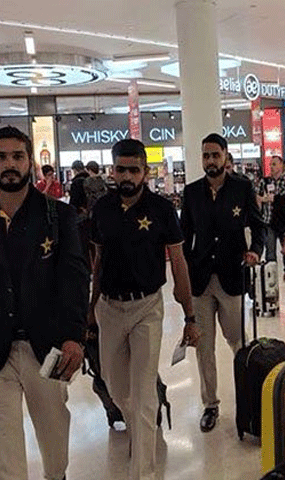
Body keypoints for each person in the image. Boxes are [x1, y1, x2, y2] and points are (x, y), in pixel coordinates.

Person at [0, 126, 89, 480]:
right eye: (1, 157)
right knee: (3, 445)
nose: (9, 164)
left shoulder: (58, 216)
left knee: (53, 434)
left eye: (17, 156)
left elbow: (75, 280)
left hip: (48, 348)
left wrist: (75, 336)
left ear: (30, 162)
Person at [89, 139, 199, 480]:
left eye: (133, 170)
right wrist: (89, 311)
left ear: (145, 172)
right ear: (112, 171)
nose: (127, 176)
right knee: (115, 387)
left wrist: (190, 316)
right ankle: (141, 428)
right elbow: (97, 263)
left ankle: (144, 472)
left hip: (147, 308)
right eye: (121, 169)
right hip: (109, 308)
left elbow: (178, 262)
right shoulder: (102, 209)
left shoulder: (162, 209)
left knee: (144, 393)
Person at [179, 132, 265, 433]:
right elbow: (183, 236)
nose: (210, 160)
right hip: (200, 281)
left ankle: (250, 402)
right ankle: (210, 405)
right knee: (203, 347)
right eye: (206, 155)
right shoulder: (191, 193)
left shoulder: (242, 187)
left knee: (238, 342)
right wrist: (184, 272)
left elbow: (258, 225)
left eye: (215, 155)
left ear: (226, 156)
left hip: (232, 276)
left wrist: (255, 251)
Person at [256, 155, 285, 280]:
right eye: (270, 164)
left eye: (274, 164)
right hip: (268, 220)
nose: (271, 167)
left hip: (284, 222)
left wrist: (276, 199)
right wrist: (263, 199)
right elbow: (256, 197)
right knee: (270, 251)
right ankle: (271, 276)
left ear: (281, 166)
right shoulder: (264, 182)